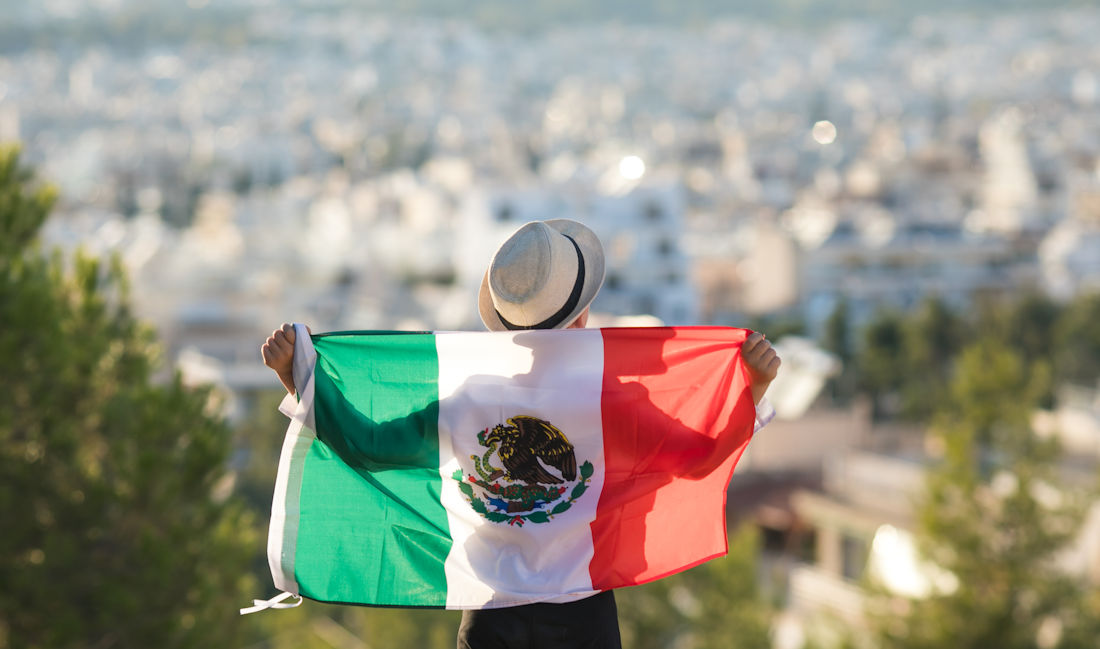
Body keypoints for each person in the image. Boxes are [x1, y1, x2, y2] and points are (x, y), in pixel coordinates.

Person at [261, 219, 781, 649]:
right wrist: (750, 388)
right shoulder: (615, 400)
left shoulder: (467, 398)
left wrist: (300, 378)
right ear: (581, 319)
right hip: (585, 616)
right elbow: (696, 458)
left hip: (490, 618)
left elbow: (369, 446)